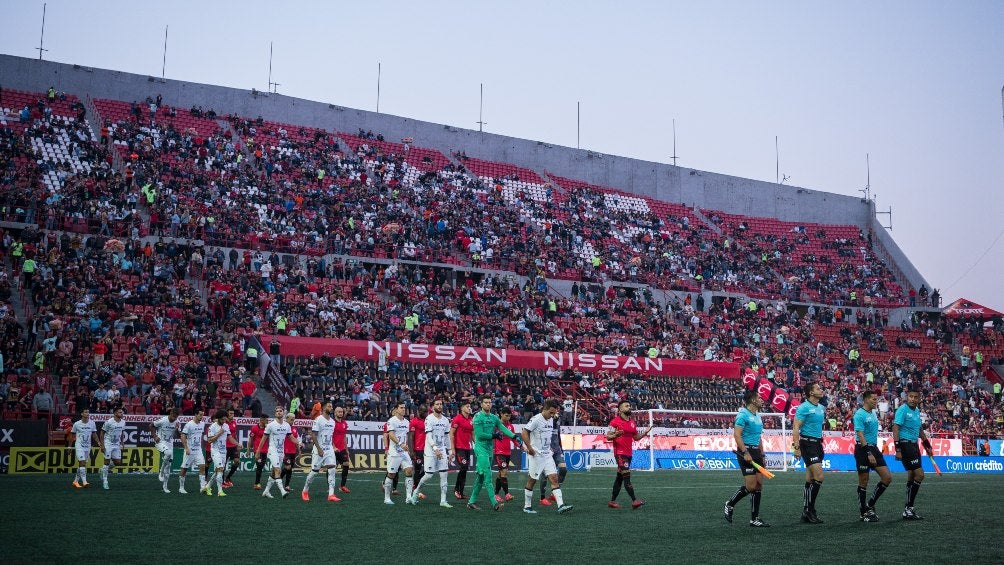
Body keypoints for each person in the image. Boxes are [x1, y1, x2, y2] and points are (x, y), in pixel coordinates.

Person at [724, 390, 770, 527]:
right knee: (751, 486)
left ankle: (754, 518)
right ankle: (730, 504)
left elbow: (759, 437)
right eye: (760, 398)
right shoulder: (743, 415)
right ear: (753, 400)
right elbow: (737, 435)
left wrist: (762, 454)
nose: (762, 400)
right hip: (746, 451)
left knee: (759, 485)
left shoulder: (757, 415)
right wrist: (745, 452)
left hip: (756, 452)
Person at [468, 395, 521, 511]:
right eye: (485, 402)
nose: (488, 404)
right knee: (488, 475)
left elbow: (503, 427)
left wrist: (514, 436)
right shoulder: (477, 417)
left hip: (489, 449)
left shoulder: (493, 417)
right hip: (480, 448)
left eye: (489, 402)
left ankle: (471, 501)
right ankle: (494, 503)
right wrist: (494, 435)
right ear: (481, 404)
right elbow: (480, 435)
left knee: (481, 477)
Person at [854, 390, 892, 522]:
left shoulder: (873, 413)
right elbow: (860, 434)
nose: (876, 401)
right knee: (864, 481)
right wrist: (868, 452)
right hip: (863, 449)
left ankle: (869, 505)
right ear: (866, 400)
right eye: (873, 399)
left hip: (874, 447)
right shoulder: (859, 414)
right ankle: (863, 513)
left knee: (887, 477)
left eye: (876, 399)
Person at [606, 400, 652, 509]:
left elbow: (635, 438)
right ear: (620, 409)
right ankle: (634, 500)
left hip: (629, 453)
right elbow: (608, 436)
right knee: (627, 476)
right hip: (620, 453)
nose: (629, 407)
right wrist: (616, 434)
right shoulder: (614, 422)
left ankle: (612, 502)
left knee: (619, 478)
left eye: (629, 406)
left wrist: (645, 432)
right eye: (626, 406)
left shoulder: (632, 422)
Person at [792, 381, 826, 524]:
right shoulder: (804, 407)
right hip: (807, 444)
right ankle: (810, 510)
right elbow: (795, 427)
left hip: (817, 444)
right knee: (819, 477)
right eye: (818, 388)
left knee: (810, 479)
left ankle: (806, 511)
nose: (821, 390)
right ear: (811, 392)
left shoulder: (821, 408)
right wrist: (797, 448)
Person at [894, 387, 930, 520]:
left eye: (915, 397)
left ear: (919, 399)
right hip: (905, 444)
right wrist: (897, 449)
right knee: (920, 475)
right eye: (911, 397)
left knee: (912, 475)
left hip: (914, 445)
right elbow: (895, 428)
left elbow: (919, 429)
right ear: (907, 397)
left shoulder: (917, 411)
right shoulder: (903, 410)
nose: (913, 399)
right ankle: (909, 508)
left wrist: (927, 445)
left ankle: (907, 509)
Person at [412, 397, 453, 507]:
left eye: (441, 404)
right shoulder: (429, 419)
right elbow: (429, 436)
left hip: (442, 451)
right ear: (432, 407)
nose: (440, 406)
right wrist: (435, 449)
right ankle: (415, 493)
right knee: (429, 475)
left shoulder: (445, 420)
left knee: (444, 474)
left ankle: (443, 501)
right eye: (437, 404)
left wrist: (449, 450)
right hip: (430, 451)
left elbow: (447, 437)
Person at [256, 406, 301, 499]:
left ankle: (266, 491)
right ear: (275, 413)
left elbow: (291, 437)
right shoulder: (270, 425)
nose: (279, 412)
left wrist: (299, 443)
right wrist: (258, 451)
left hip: (281, 452)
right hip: (273, 450)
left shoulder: (287, 425)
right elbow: (263, 439)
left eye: (280, 411)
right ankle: (282, 491)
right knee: (278, 470)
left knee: (273, 472)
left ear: (283, 413)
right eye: (277, 411)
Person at [302, 400, 341, 502]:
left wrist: (333, 447)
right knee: (314, 472)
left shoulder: (332, 422)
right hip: (319, 449)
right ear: (323, 408)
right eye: (329, 406)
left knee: (332, 469)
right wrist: (319, 449)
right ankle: (305, 491)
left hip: (329, 450)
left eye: (331, 406)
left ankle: (331, 494)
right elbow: (313, 435)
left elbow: (330, 436)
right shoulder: (318, 420)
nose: (331, 408)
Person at [384, 402, 415, 505]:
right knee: (391, 474)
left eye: (404, 408)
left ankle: (409, 497)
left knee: (409, 471)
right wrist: (401, 444)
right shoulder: (391, 421)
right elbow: (391, 435)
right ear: (396, 409)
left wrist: (408, 448)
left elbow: (407, 436)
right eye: (401, 408)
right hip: (394, 452)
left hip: (404, 452)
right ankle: (387, 498)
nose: (403, 409)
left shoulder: (406, 422)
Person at [538, 411, 567, 507]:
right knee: (545, 475)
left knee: (563, 469)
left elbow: (558, 436)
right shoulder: (544, 421)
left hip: (557, 450)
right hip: (546, 451)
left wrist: (561, 449)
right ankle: (542, 498)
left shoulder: (558, 422)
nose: (556, 414)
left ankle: (554, 493)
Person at [179, 408, 209, 495]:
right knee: (184, 469)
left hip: (198, 450)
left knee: (202, 466)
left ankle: (202, 487)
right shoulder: (189, 425)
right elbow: (183, 436)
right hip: (190, 450)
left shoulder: (202, 424)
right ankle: (181, 488)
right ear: (195, 414)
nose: (201, 416)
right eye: (200, 414)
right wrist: (186, 448)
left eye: (202, 415)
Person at [449, 400, 474, 499]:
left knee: (465, 469)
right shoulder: (457, 419)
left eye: (470, 406)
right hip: (459, 448)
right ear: (462, 408)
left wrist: (477, 445)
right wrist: (453, 449)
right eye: (467, 406)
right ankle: (456, 489)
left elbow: (473, 434)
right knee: (463, 467)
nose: (469, 408)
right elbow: (451, 434)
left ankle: (461, 492)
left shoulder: (471, 419)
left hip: (467, 448)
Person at [151, 408, 179, 493]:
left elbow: (176, 435)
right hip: (160, 442)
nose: (174, 419)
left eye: (176, 417)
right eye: (173, 416)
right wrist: (155, 436)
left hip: (170, 444)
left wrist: (177, 430)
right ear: (170, 413)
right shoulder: (163, 420)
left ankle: (165, 486)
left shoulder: (177, 422)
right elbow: (151, 425)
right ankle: (161, 471)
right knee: (168, 453)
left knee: (169, 466)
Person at [99, 407, 127, 490]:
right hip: (108, 443)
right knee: (106, 462)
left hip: (116, 444)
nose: (122, 414)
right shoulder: (109, 422)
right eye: (120, 412)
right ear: (115, 413)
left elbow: (122, 432)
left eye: (122, 412)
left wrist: (122, 442)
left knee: (118, 462)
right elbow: (102, 433)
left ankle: (102, 470)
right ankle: (105, 481)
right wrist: (102, 445)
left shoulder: (123, 422)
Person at [71, 409, 99, 488]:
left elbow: (94, 434)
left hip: (88, 446)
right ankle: (84, 482)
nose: (87, 414)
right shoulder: (77, 424)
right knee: (82, 462)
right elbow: (72, 435)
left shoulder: (92, 423)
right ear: (82, 414)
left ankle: (75, 481)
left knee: (82, 464)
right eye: (85, 412)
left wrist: (99, 443)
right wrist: (70, 446)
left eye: (88, 412)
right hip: (79, 446)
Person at [494, 408, 516, 503]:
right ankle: (507, 494)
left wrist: (522, 446)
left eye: (509, 416)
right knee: (504, 472)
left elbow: (514, 438)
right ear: (501, 414)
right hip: (499, 453)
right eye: (506, 415)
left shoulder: (511, 426)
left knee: (500, 474)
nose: (508, 417)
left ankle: (496, 494)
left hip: (508, 453)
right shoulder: (496, 425)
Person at [207, 409, 231, 497]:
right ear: (218, 418)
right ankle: (220, 491)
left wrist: (237, 444)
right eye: (222, 419)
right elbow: (209, 441)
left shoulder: (226, 426)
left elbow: (230, 437)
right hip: (215, 450)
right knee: (220, 469)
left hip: (223, 451)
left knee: (218, 470)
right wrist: (219, 434)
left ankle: (208, 486)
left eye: (225, 419)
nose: (224, 421)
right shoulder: (212, 427)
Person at [408, 404, 428, 501]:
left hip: (427, 449)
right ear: (419, 411)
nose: (426, 413)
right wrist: (411, 451)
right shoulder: (414, 422)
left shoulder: (428, 421)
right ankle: (416, 489)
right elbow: (410, 437)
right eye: (424, 411)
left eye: (427, 411)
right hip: (418, 449)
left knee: (429, 470)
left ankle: (416, 483)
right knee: (417, 469)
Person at [332, 405, 352, 493]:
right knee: (331, 468)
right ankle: (330, 486)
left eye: (341, 412)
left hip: (342, 448)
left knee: (346, 464)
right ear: (335, 413)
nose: (340, 413)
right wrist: (333, 447)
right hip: (332, 448)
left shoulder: (344, 423)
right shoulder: (332, 423)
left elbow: (344, 437)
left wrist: (346, 449)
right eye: (339, 412)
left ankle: (342, 486)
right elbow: (329, 436)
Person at [246, 415, 269, 489]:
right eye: (266, 420)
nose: (267, 422)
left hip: (265, 450)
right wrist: (248, 450)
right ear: (261, 420)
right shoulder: (254, 428)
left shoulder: (268, 428)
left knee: (261, 466)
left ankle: (257, 483)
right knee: (259, 466)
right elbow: (251, 440)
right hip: (257, 451)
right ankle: (257, 483)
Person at [280, 413, 301, 489]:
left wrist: (299, 450)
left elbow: (296, 440)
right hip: (285, 451)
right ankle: (278, 480)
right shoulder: (282, 427)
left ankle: (287, 485)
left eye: (293, 418)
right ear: (287, 418)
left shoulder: (295, 428)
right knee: (288, 467)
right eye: (291, 418)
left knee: (290, 469)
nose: (293, 420)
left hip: (293, 452)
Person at [223, 408, 240, 488]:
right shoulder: (223, 423)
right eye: (230, 413)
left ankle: (228, 477)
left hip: (233, 447)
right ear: (227, 414)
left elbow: (235, 434)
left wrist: (237, 444)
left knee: (237, 462)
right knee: (223, 465)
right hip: (224, 447)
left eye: (233, 413)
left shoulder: (234, 423)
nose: (232, 415)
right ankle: (222, 482)